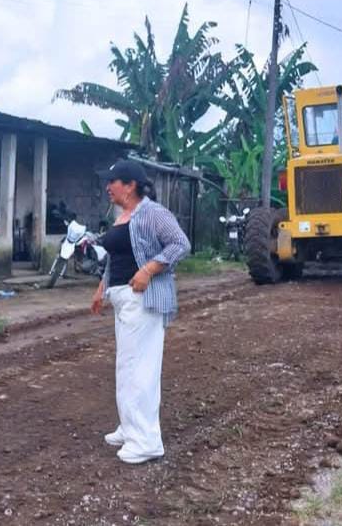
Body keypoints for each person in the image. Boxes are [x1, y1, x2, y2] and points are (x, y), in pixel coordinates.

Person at [90, 160, 190, 464]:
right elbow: (116, 257)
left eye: (112, 181)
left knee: (140, 369)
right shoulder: (122, 216)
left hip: (144, 299)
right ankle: (130, 427)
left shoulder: (153, 213)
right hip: (123, 299)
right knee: (126, 366)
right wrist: (102, 287)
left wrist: (148, 269)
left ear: (130, 185)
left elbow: (180, 244)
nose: (107, 187)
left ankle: (146, 441)